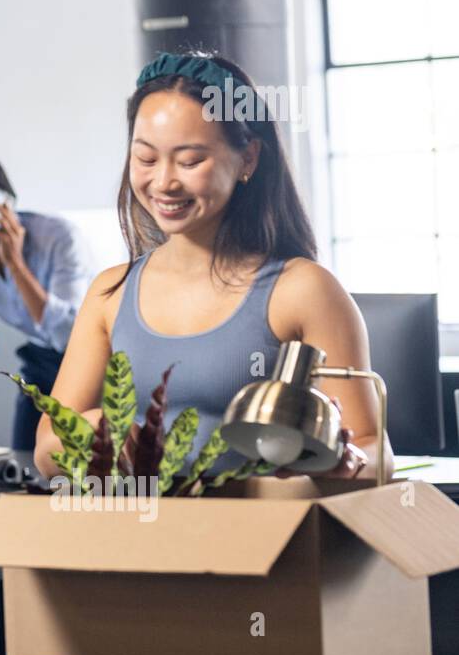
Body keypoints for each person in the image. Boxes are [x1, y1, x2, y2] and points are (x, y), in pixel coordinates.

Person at [35, 50, 393, 483]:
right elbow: (47, 448)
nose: (164, 181)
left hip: (268, 539)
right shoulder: (110, 293)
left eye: (189, 161)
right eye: (146, 158)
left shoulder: (303, 290)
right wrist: (92, 435)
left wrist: (342, 461)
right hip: (143, 540)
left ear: (248, 160)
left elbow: (374, 450)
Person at [0, 156, 93, 452]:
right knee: (24, 457)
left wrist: (14, 261)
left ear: (3, 203)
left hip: (87, 358)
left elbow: (67, 336)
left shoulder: (59, 238)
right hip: (39, 360)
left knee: (76, 461)